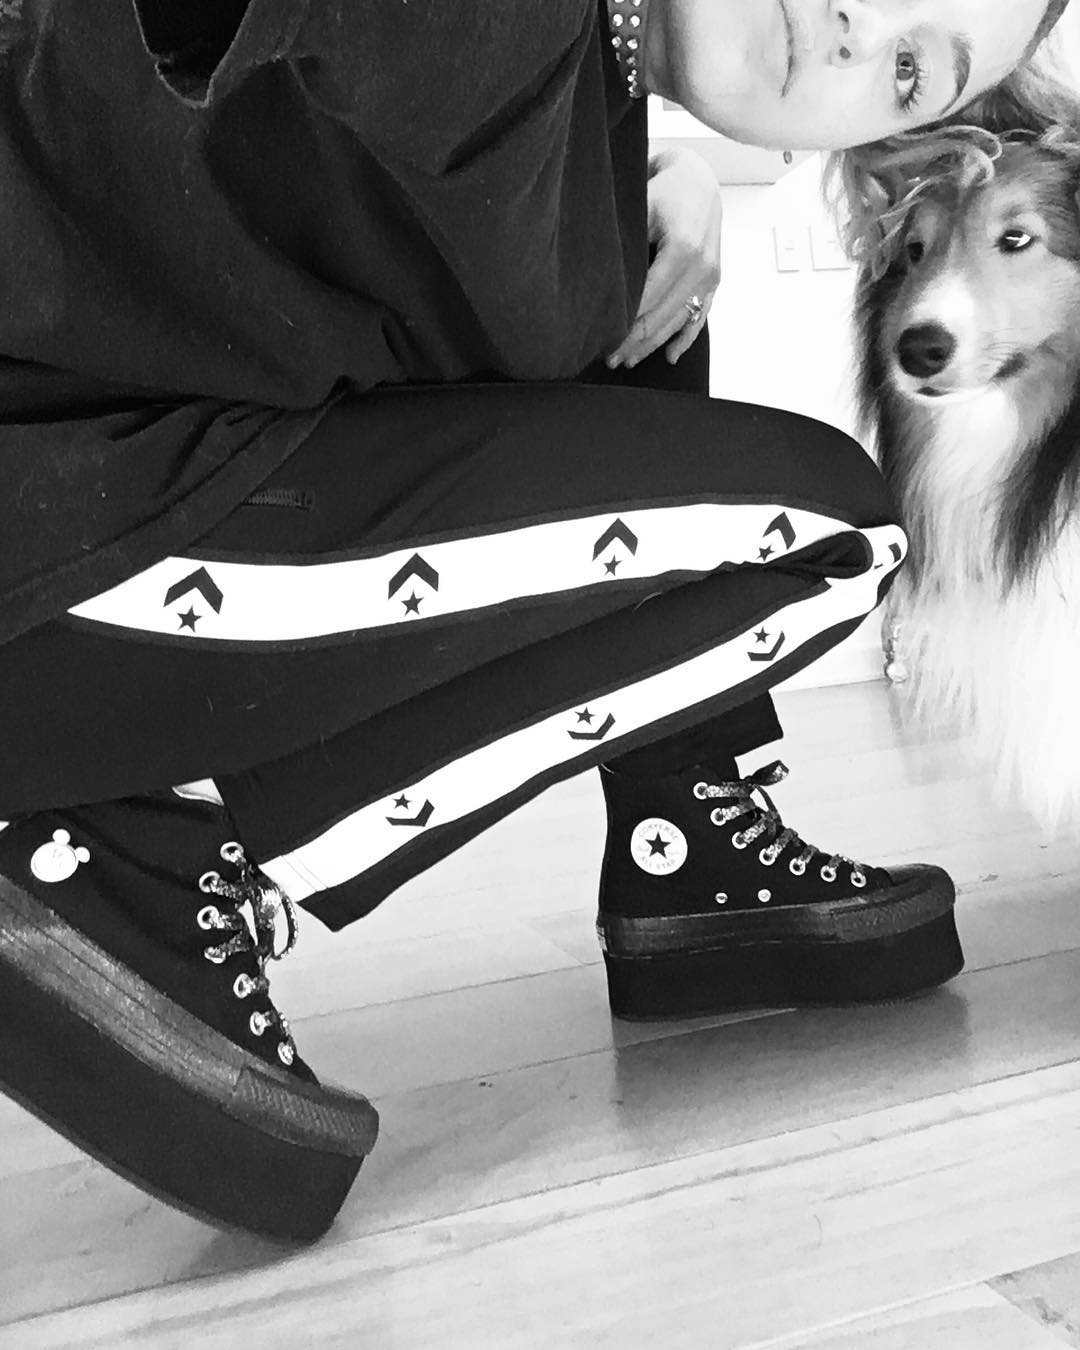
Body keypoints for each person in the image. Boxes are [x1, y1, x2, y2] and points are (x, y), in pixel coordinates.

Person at [0, 0, 1070, 1242]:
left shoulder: (590, 90)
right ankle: (128, 868)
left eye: (909, 69)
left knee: (640, 304)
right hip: (55, 547)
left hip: (103, 494)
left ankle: (683, 838)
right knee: (834, 533)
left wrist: (653, 169)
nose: (852, 28)